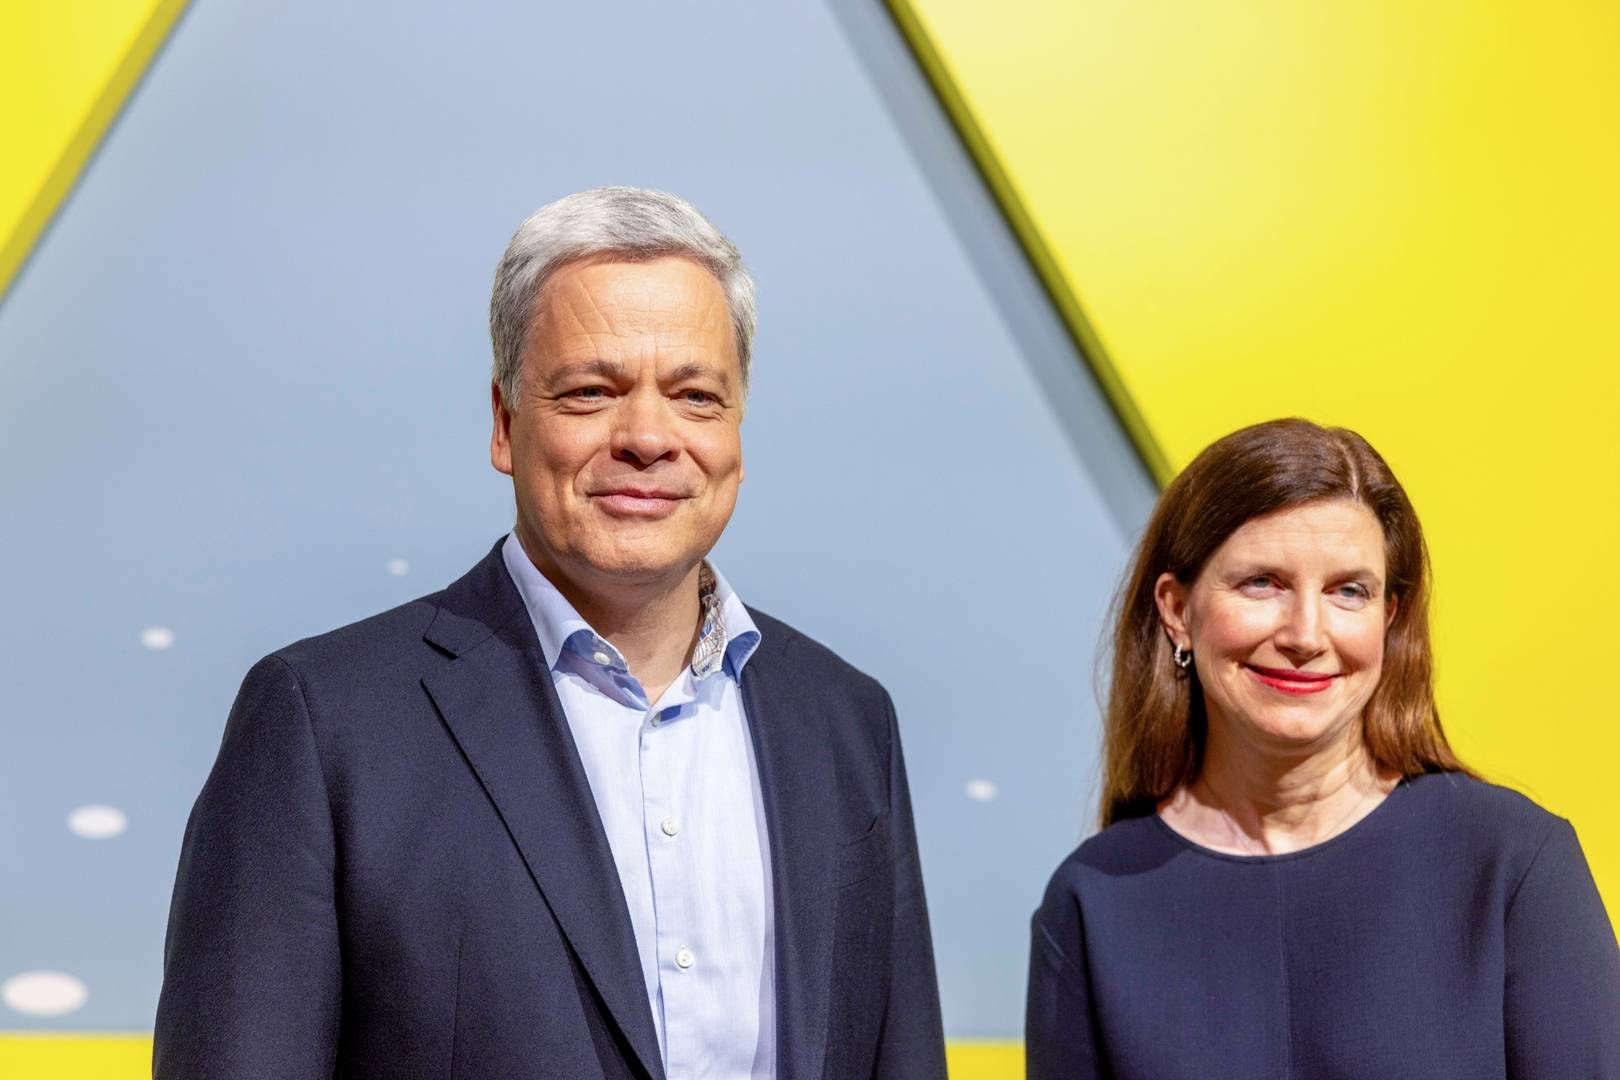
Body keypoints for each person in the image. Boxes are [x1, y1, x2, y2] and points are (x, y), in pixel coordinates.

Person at [155, 187, 947, 1079]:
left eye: (695, 396)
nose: (648, 436)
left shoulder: (845, 722)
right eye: (589, 392)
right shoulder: (323, 724)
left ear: (737, 430)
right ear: (504, 423)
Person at [1026, 418, 1620, 1079]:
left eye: (1349, 591)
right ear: (1175, 609)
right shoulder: (1094, 900)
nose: (1307, 634)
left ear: (1389, 617)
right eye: (1263, 583)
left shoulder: (1512, 863)